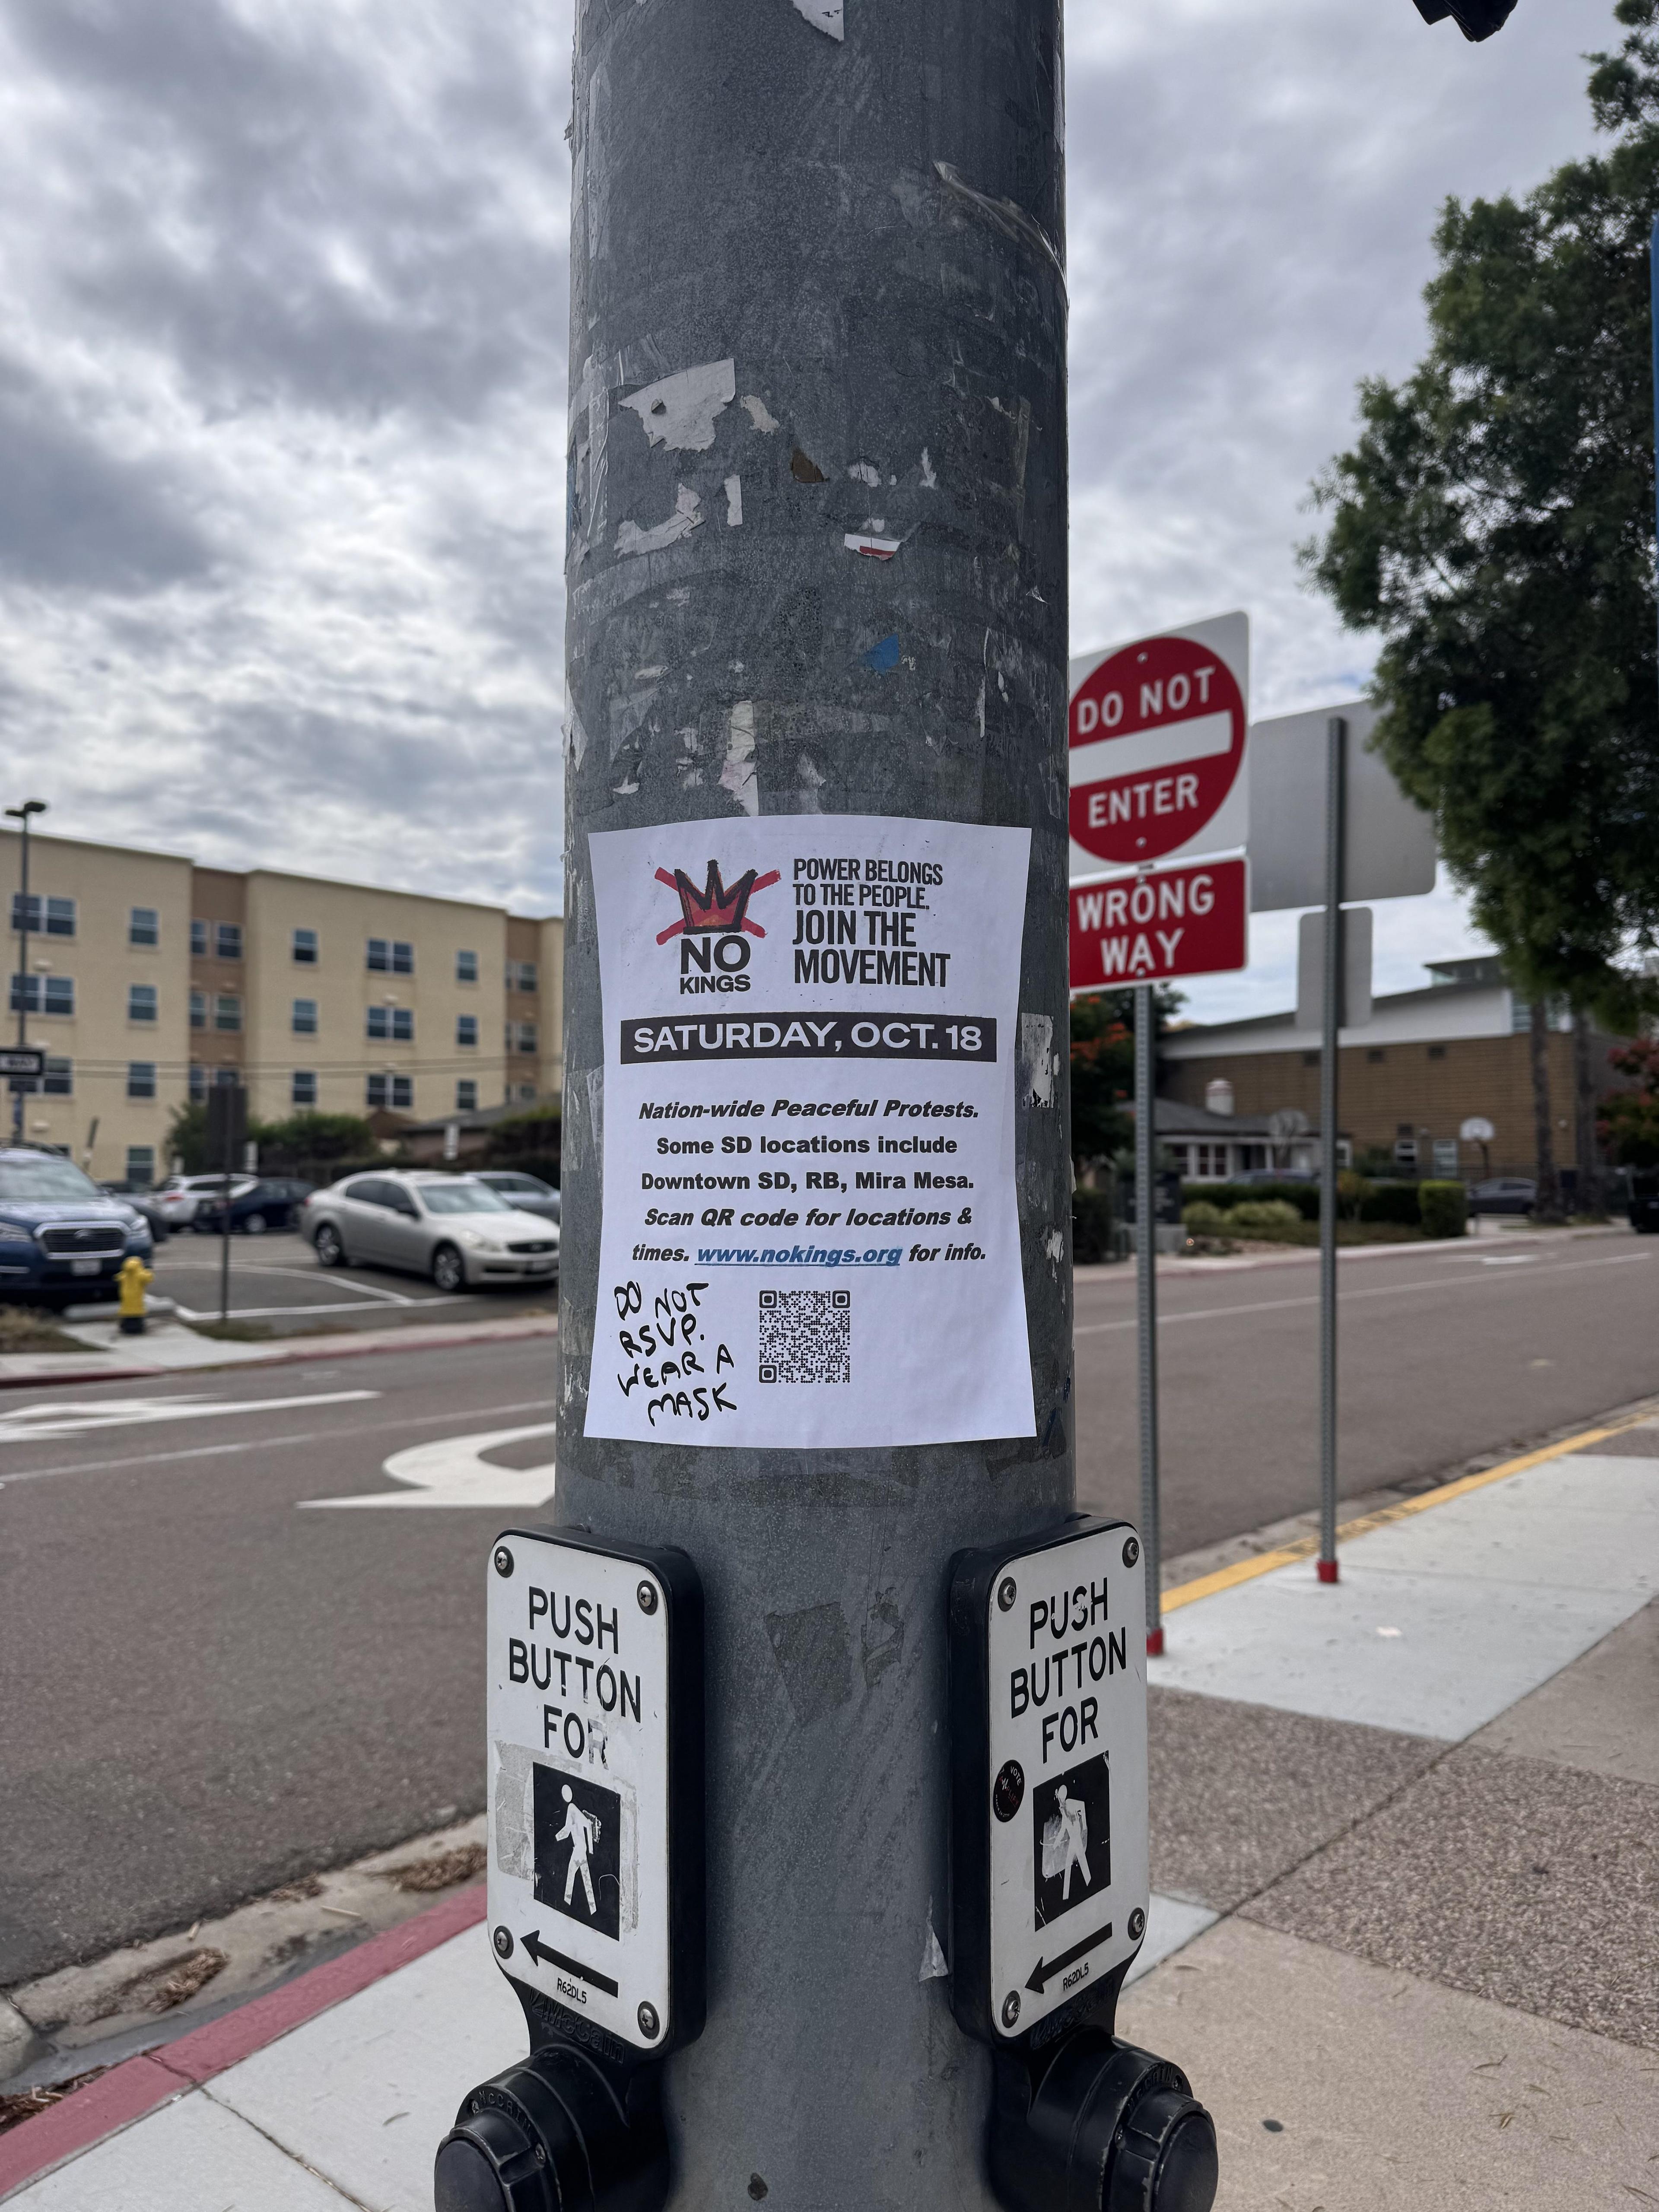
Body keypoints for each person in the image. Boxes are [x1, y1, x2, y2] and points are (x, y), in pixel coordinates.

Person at [556, 1784, 598, 1916]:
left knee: (571, 1874)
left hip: (578, 1850)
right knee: (586, 1880)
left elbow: (567, 1830)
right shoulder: (581, 1814)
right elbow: (589, 1826)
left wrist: (556, 1837)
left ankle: (566, 1905)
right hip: (583, 1850)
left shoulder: (571, 1809)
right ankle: (593, 1909)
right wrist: (590, 1850)